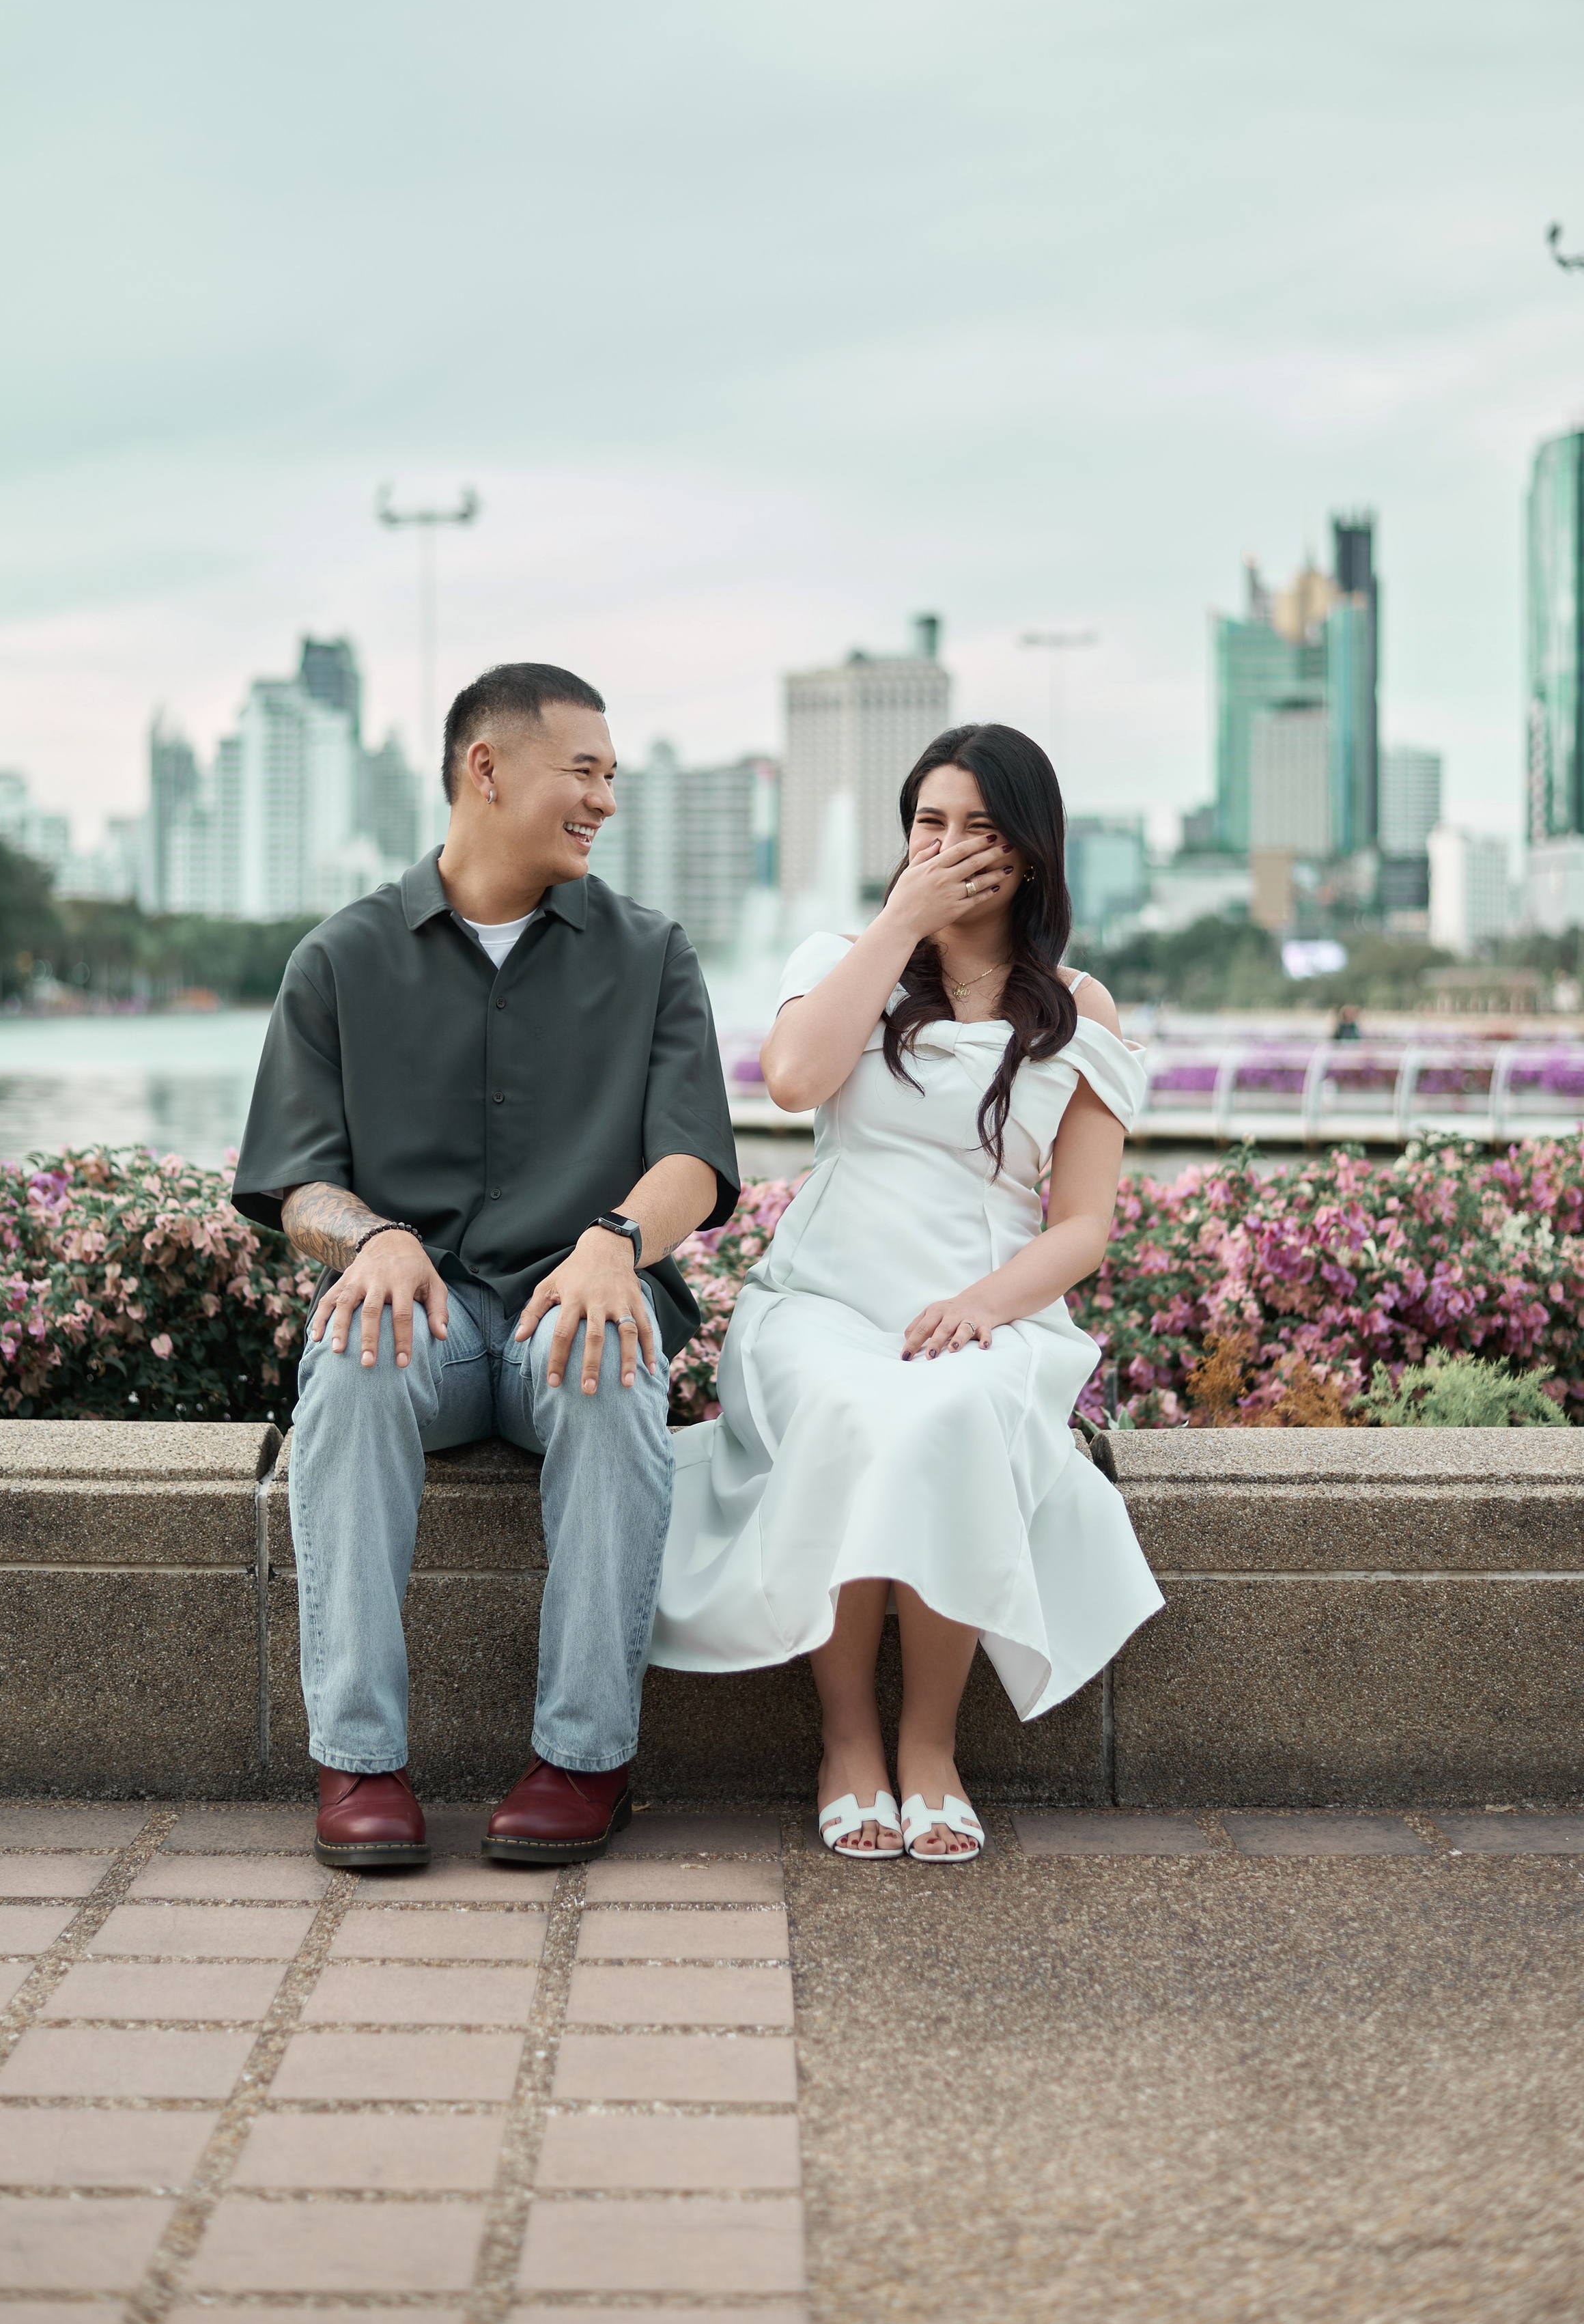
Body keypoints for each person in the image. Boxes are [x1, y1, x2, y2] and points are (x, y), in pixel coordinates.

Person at [231, 662, 738, 1871]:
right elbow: (295, 1180)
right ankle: (357, 1762)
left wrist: (618, 1243)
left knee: (615, 1364)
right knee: (351, 1355)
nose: (605, 800)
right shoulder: (340, 959)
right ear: (487, 768)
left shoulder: (653, 954)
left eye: (613, 778)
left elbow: (697, 1164)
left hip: (581, 1299)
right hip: (430, 1321)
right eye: (586, 771)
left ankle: (585, 1760)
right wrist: (372, 1237)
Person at [653, 723, 1163, 1863]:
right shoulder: (844, 954)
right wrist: (901, 922)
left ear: (1030, 853)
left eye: (981, 827)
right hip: (823, 1300)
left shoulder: (1083, 1008)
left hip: (985, 1302)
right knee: (849, 1406)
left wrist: (988, 1304)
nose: (950, 845)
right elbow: (792, 1081)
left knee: (944, 1412)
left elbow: (1083, 1222)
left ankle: (929, 1745)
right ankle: (847, 1741)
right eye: (930, 823)